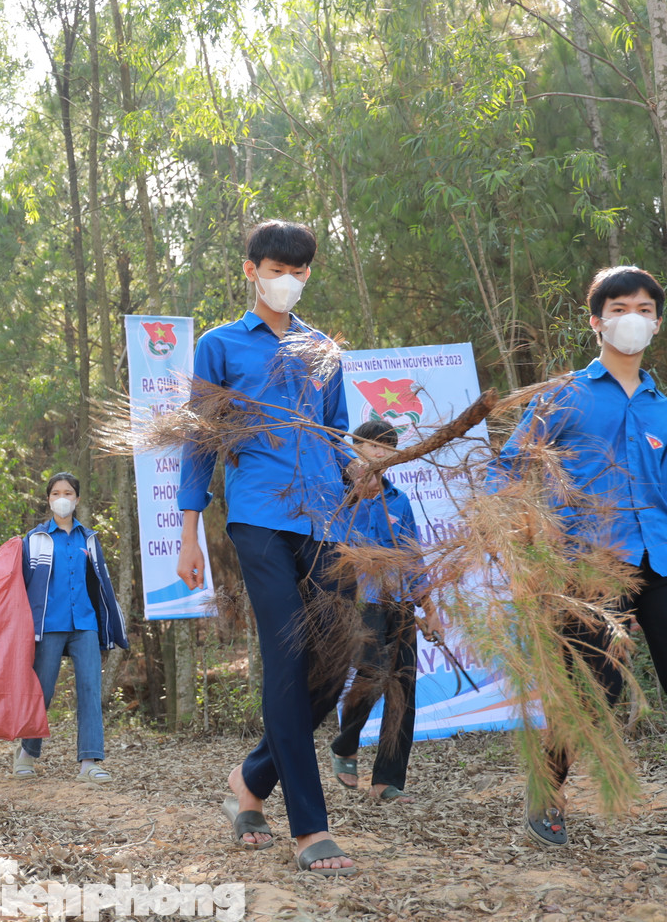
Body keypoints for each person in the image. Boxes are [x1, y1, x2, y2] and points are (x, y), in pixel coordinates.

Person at [493, 265, 667, 874]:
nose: (631, 317)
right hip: (588, 563)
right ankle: (548, 794)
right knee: (593, 695)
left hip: (665, 557)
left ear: (657, 322)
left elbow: (662, 494)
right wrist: (524, 542)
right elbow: (508, 472)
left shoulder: (665, 409)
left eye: (643, 308)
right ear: (596, 321)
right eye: (619, 308)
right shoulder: (562, 395)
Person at [177, 219, 370, 877]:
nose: (287, 278)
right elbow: (201, 441)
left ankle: (251, 778)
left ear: (309, 273)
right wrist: (188, 530)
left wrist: (359, 476)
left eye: (299, 269)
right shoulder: (220, 344)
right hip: (258, 513)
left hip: (325, 518)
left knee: (334, 663)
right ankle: (311, 827)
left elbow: (337, 433)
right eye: (275, 267)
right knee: (287, 657)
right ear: (251, 270)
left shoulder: (324, 349)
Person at [328, 419, 436, 804]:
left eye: (387, 448)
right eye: (372, 445)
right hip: (361, 599)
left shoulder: (400, 500)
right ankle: (345, 744)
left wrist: (429, 608)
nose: (380, 453)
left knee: (403, 686)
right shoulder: (338, 495)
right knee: (371, 674)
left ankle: (387, 780)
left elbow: (413, 557)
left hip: (401, 602)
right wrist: (355, 492)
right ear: (355, 447)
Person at [14, 472, 129, 783]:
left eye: (67, 493)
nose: (61, 498)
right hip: (48, 626)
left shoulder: (89, 539)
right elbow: (19, 586)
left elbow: (102, 585)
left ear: (77, 499)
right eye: (55, 493)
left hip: (85, 624)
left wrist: (112, 628)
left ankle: (90, 761)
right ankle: (27, 753)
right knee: (44, 691)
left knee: (91, 690)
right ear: (48, 499)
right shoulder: (34, 539)